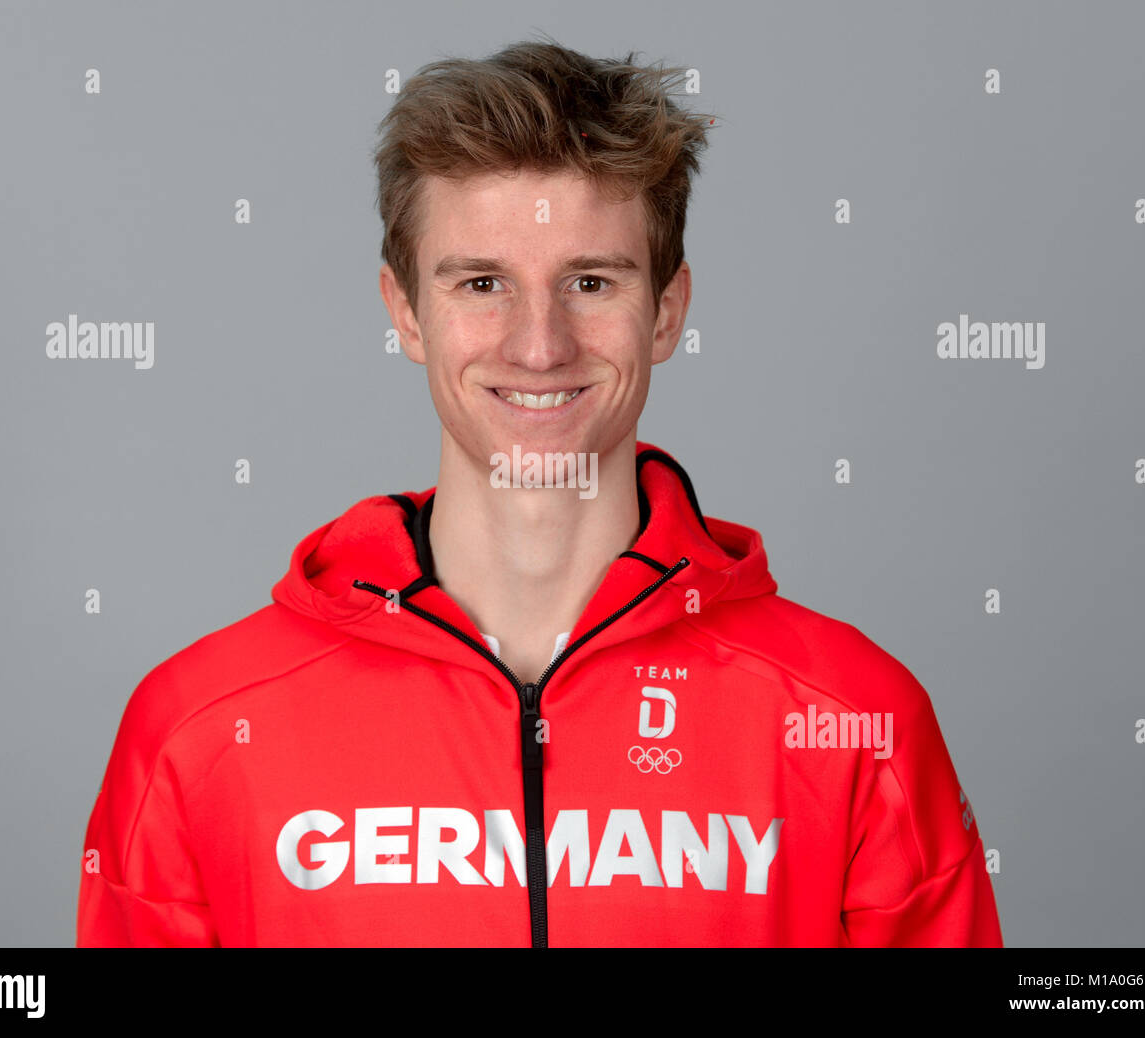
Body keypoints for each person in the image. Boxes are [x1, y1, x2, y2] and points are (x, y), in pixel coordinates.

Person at [76, 37, 1002, 947]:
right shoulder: (197, 728)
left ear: (667, 311)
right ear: (405, 312)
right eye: (483, 283)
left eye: (590, 282)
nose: (539, 346)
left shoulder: (853, 721)